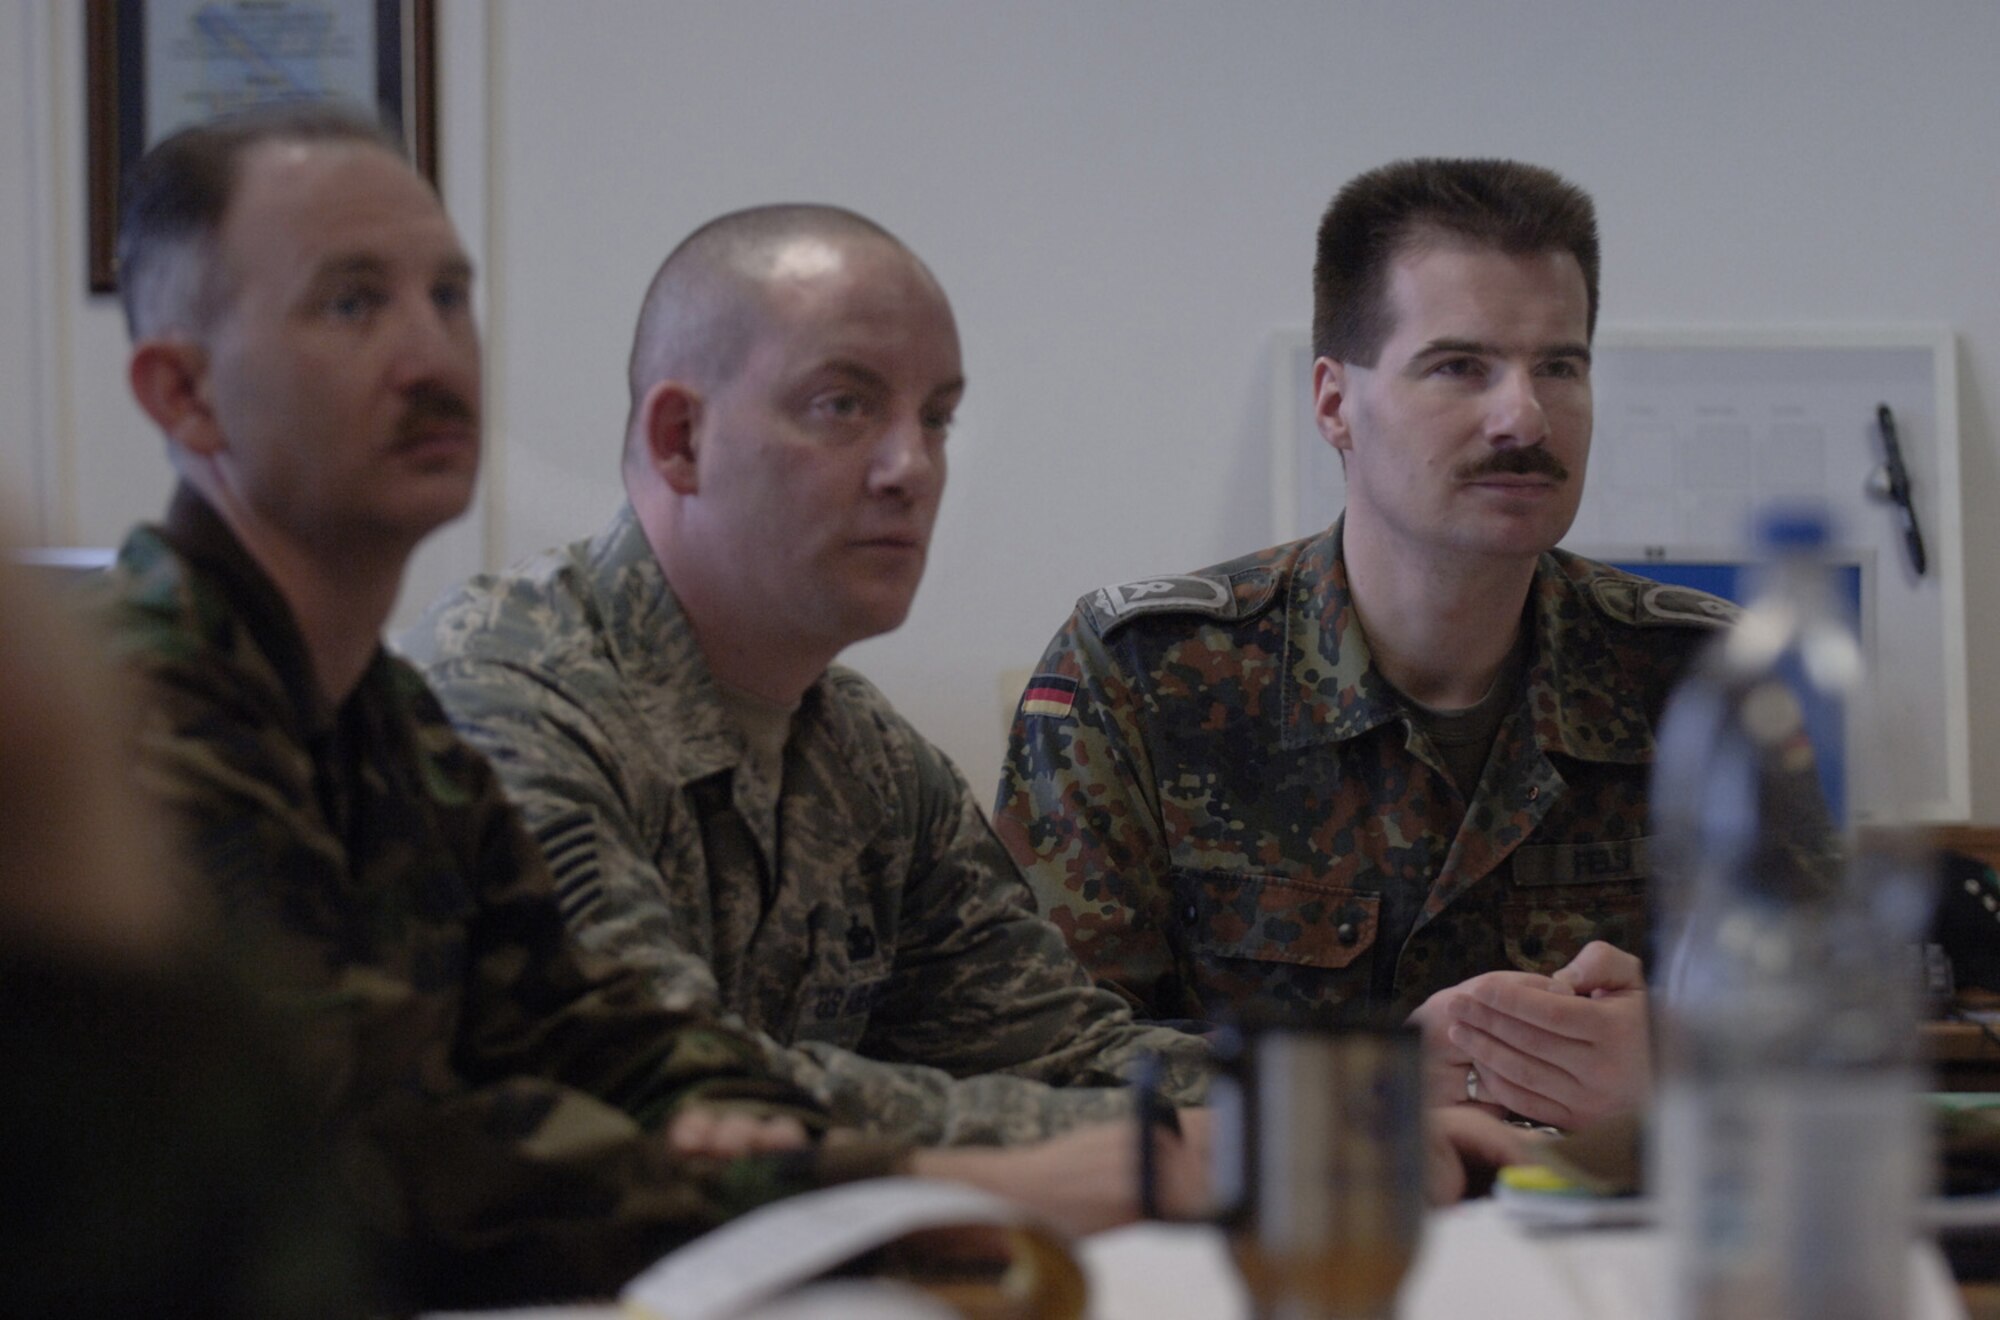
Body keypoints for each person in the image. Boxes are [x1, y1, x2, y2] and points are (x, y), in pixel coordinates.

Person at [90, 103, 1212, 1309]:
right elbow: (375, 1161)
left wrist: (1290, 1116)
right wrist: (968, 1183)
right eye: (354, 302)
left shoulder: (386, 728)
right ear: (185, 397)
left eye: (449, 299)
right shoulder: (136, 717)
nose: (433, 357)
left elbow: (625, 1067)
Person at [406, 204, 1211, 1148]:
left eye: (938, 417)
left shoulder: (866, 755)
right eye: (844, 405)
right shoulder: (504, 694)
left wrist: (1361, 1092)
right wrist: (1139, 1150)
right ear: (680, 439)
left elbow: (1055, 1048)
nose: (912, 466)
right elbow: (660, 1083)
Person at [998, 158, 1735, 1132]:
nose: (1523, 415)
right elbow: (1037, 1052)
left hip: (1609, 1250)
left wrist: (1688, 1062)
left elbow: (1837, 1044)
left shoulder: (1707, 684)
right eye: (1458, 366)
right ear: (1334, 402)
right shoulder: (1140, 676)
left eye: (1559, 366)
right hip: (1278, 1250)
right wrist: (1360, 1081)